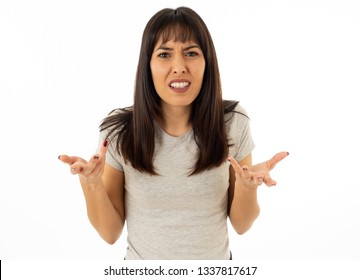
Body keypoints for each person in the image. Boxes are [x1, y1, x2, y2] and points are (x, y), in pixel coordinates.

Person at [59, 6, 288, 260]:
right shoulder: (119, 131)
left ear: (207, 62)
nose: (179, 67)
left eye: (191, 53)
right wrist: (91, 184)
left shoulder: (233, 123)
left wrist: (247, 188)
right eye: (164, 54)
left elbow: (242, 225)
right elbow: (109, 232)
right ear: (148, 65)